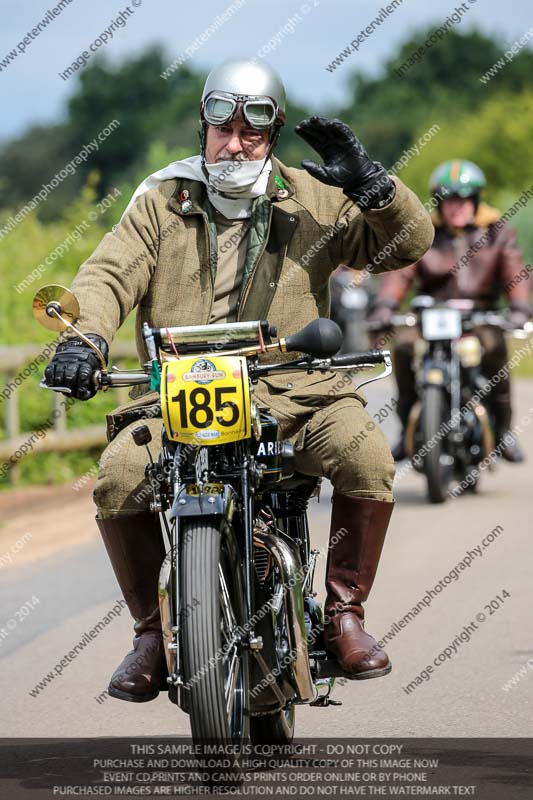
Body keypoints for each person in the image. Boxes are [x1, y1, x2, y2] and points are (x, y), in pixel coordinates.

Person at [44, 58, 434, 702]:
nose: (234, 142)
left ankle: (343, 615)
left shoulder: (312, 197)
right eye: (220, 126)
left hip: (296, 389)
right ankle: (151, 634)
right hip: (176, 393)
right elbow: (108, 276)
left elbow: (408, 245)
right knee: (117, 477)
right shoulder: (161, 201)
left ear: (273, 134)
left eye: (251, 131)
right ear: (202, 124)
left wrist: (374, 186)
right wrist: (81, 339)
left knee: (366, 455)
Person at [369, 159, 532, 463]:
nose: (456, 207)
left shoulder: (498, 232)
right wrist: (385, 306)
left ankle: (503, 432)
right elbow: (400, 274)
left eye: (463, 199)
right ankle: (407, 430)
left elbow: (516, 273)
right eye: (449, 200)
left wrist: (521, 309)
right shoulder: (423, 232)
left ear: (475, 200)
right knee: (403, 346)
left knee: (495, 348)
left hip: (480, 317)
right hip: (430, 316)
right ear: (440, 203)